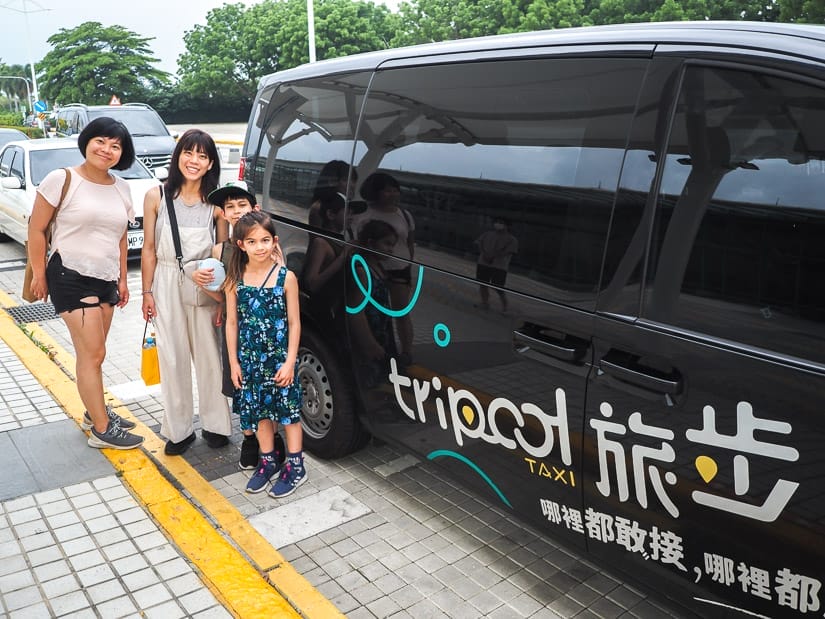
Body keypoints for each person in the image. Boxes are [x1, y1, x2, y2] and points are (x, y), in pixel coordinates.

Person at [27, 117, 142, 449]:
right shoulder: (61, 179)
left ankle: (96, 412)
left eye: (116, 145)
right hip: (70, 274)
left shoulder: (121, 187)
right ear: (87, 141)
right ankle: (102, 431)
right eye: (101, 141)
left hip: (106, 277)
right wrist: (38, 272)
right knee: (93, 353)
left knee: (94, 354)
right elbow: (36, 229)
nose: (107, 149)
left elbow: (121, 236)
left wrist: (122, 278)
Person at [141, 129, 232, 456]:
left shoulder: (217, 203)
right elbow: (149, 249)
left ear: (210, 164)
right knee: (172, 356)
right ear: (178, 155)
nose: (194, 161)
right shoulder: (156, 196)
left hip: (205, 283)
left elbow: (224, 251)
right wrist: (146, 293)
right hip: (165, 279)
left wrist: (222, 297)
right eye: (189, 153)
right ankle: (178, 430)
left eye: (203, 156)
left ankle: (217, 425)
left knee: (210, 356)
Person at [204, 180, 285, 471]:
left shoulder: (269, 248)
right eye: (230, 207)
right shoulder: (218, 251)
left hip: (266, 332)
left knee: (268, 386)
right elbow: (223, 293)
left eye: (242, 205)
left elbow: (280, 289)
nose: (237, 211)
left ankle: (274, 438)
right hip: (235, 329)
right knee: (239, 385)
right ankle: (250, 438)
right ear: (223, 214)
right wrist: (205, 288)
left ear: (255, 208)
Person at [224, 212, 306, 497]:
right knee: (259, 413)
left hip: (279, 360)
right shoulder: (235, 279)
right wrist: (234, 362)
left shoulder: (286, 278)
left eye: (265, 240)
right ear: (240, 244)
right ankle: (268, 461)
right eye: (252, 241)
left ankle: (296, 466)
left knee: (288, 414)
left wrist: (290, 361)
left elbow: (295, 322)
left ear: (275, 241)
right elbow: (232, 322)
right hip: (250, 361)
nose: (260, 247)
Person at [352, 171, 415, 365]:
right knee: (374, 313)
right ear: (375, 192)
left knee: (401, 313)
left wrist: (410, 266)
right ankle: (375, 349)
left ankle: (406, 353)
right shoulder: (363, 214)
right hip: (371, 269)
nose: (393, 194)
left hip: (399, 269)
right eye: (388, 191)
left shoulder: (404, 215)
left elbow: (410, 243)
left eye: (395, 190)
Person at [348, 220, 399, 389]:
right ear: (371, 243)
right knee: (366, 381)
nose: (391, 249)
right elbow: (356, 312)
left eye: (393, 245)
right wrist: (369, 344)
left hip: (379, 334)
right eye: (387, 244)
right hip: (367, 338)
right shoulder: (363, 271)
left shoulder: (377, 267)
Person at [474, 217, 518, 311]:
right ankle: (485, 303)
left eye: (501, 223)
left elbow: (508, 252)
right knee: (482, 284)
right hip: (483, 263)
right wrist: (484, 254)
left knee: (498, 287)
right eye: (496, 222)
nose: (498, 224)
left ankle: (505, 307)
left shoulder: (511, 239)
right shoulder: (487, 234)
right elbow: (479, 244)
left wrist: (493, 256)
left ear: (507, 225)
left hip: (499, 266)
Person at [308, 160, 357, 228]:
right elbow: (316, 237)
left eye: (354, 180)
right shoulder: (319, 207)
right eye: (345, 180)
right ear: (331, 182)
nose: (352, 185)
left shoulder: (345, 205)